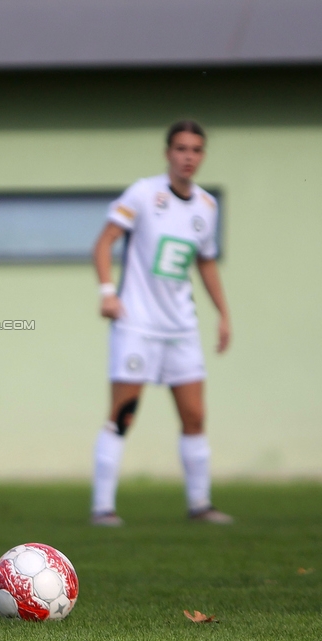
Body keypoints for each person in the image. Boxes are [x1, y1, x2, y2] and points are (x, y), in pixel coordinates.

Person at [90, 120, 233, 526]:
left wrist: (223, 314)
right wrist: (107, 293)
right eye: (182, 148)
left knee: (194, 417)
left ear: (202, 156)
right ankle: (103, 508)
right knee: (123, 415)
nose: (189, 156)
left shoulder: (206, 206)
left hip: (181, 329)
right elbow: (103, 244)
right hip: (137, 325)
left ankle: (200, 505)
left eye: (196, 150)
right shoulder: (143, 193)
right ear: (168, 152)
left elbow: (205, 262)